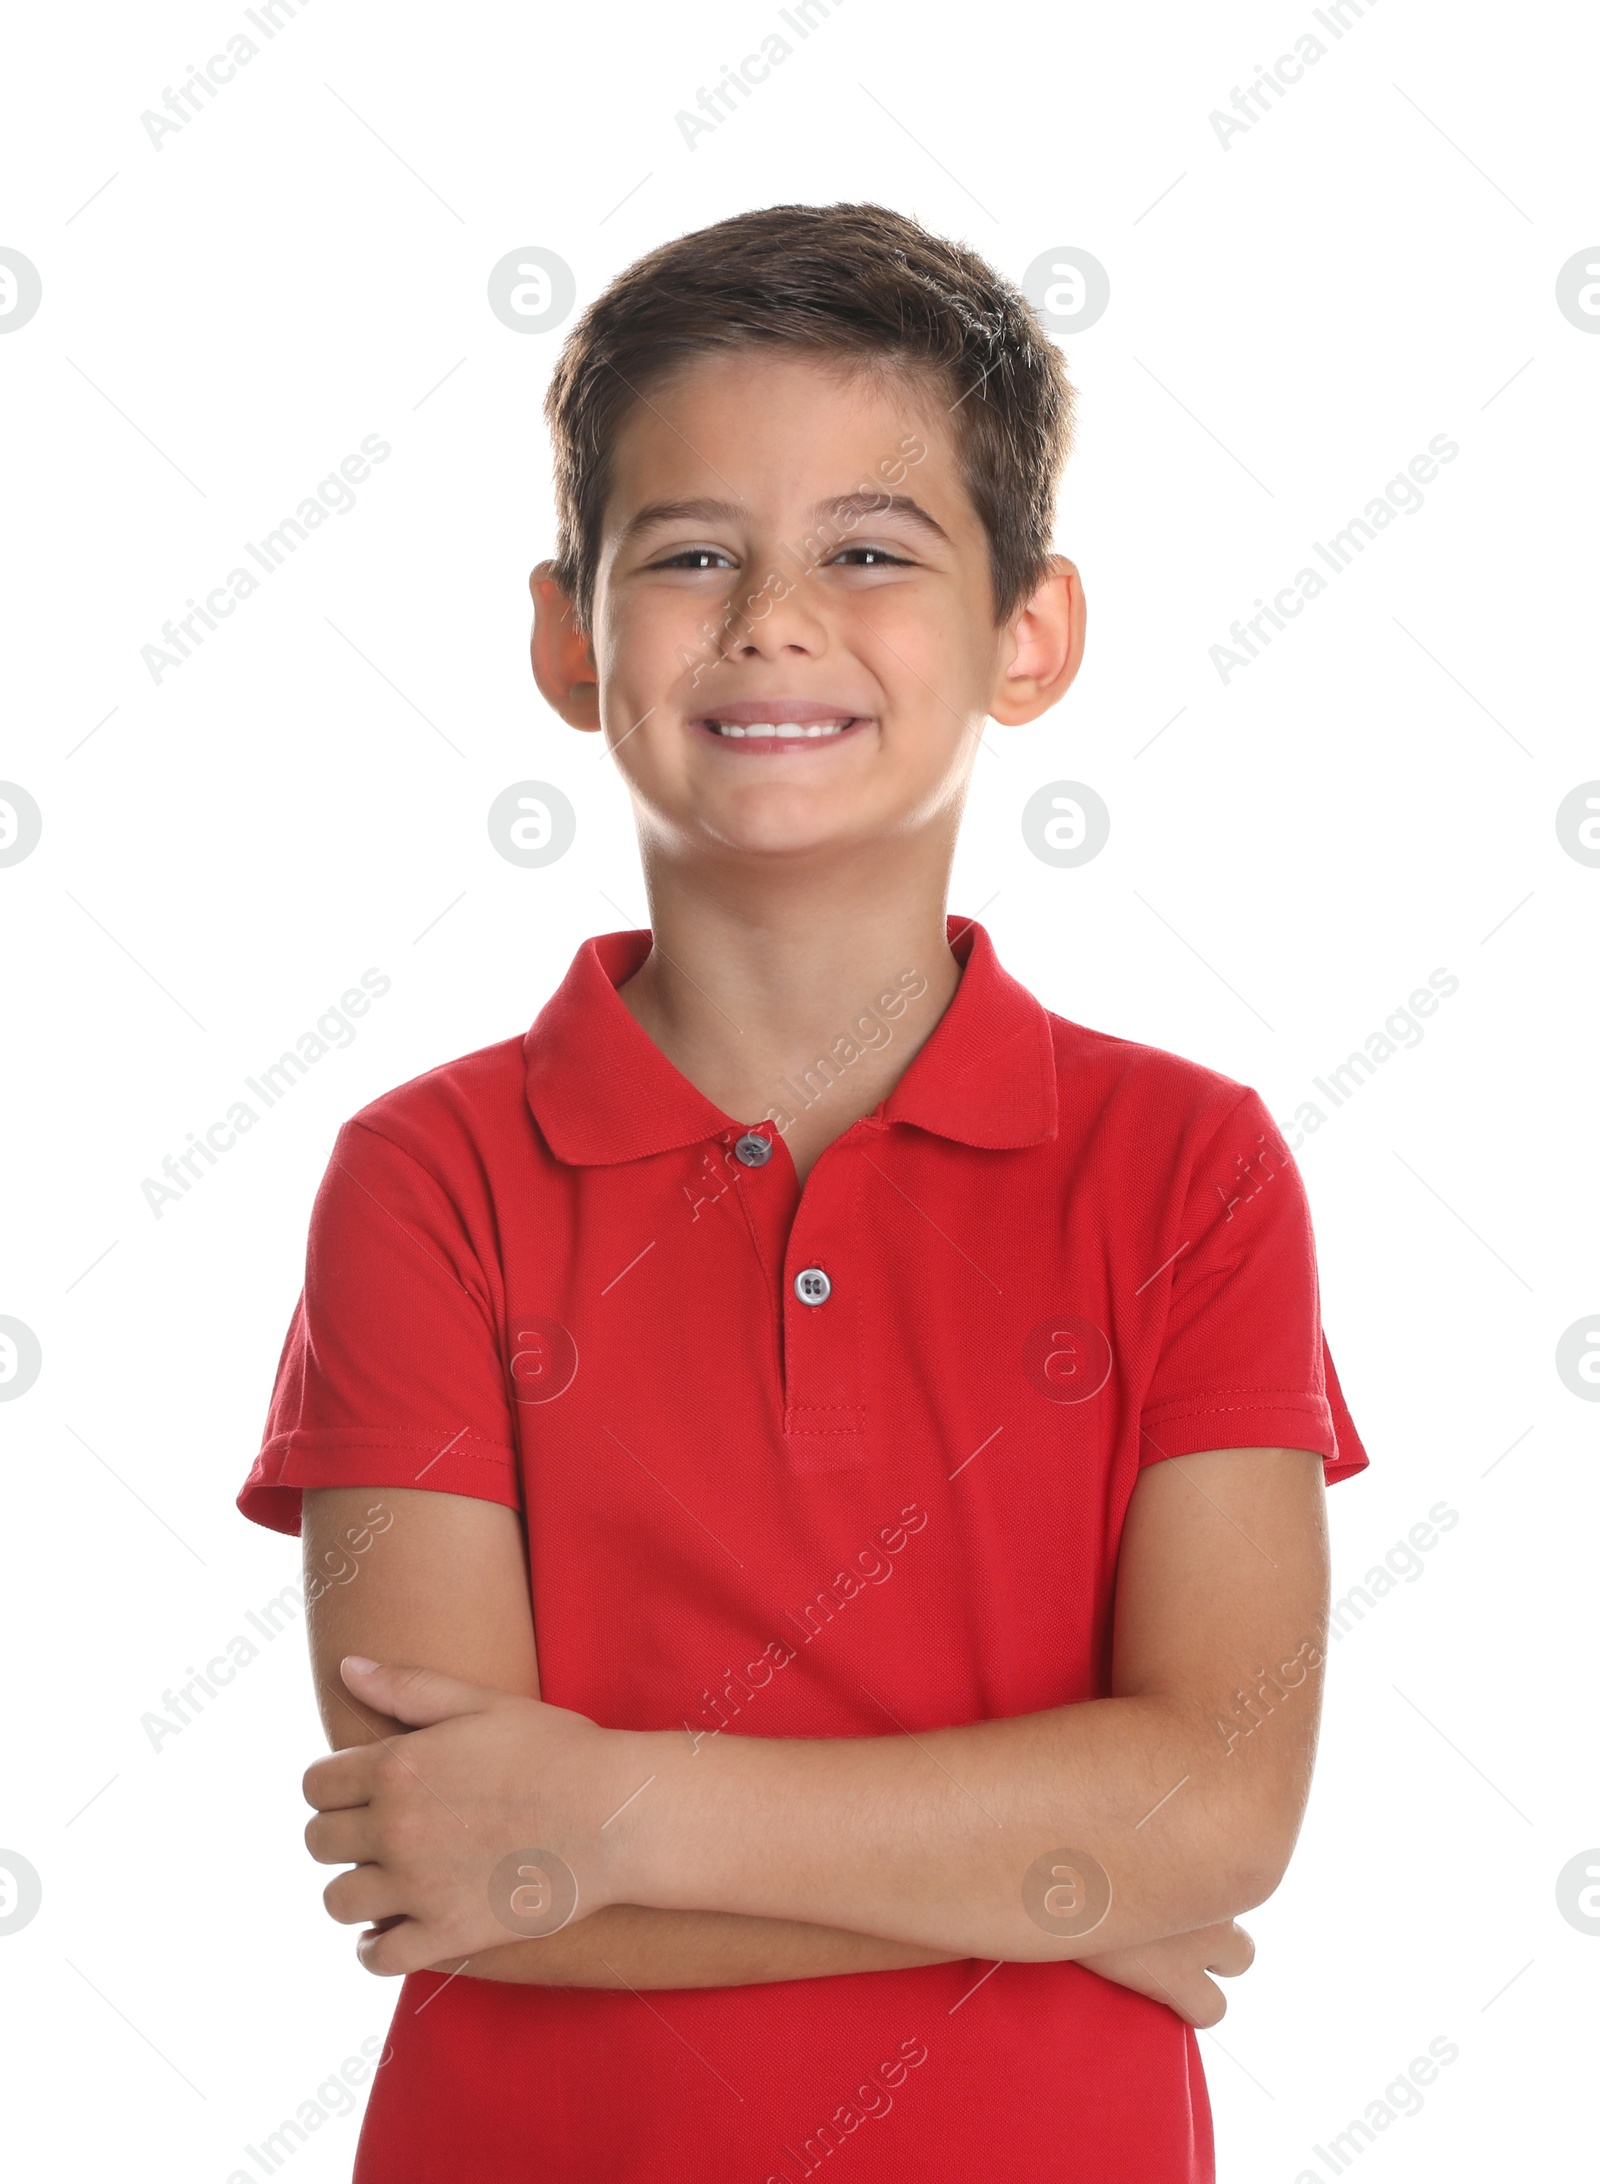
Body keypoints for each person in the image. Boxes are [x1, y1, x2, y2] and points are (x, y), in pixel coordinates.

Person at [237, 200, 1369, 2182]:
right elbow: (438, 1848)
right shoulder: (423, 1179)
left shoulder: (1186, 1170)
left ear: (1029, 637)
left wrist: (601, 1826)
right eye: (689, 554)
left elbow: (1206, 1812)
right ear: (567, 641)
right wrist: (1051, 1882)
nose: (773, 615)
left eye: (868, 549)